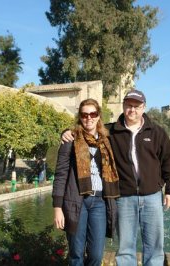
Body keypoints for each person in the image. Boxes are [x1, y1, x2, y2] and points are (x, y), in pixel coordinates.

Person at [62, 89, 170, 266]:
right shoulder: (111, 132)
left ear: (143, 107)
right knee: (125, 247)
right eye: (129, 106)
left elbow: (169, 161)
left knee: (154, 247)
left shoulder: (156, 132)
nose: (132, 110)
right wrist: (66, 132)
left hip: (152, 196)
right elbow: (87, 129)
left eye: (136, 106)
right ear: (123, 107)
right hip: (123, 197)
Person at [53, 98, 120, 266]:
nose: (88, 118)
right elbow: (60, 175)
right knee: (76, 253)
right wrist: (57, 208)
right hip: (76, 201)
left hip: (100, 202)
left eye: (93, 114)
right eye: (84, 115)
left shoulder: (106, 140)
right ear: (79, 117)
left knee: (96, 254)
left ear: (98, 116)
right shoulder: (70, 140)